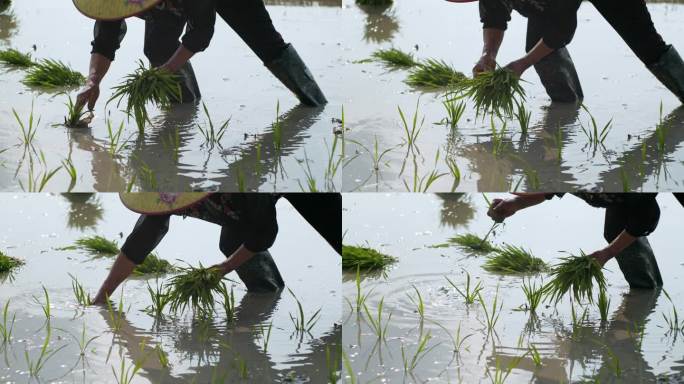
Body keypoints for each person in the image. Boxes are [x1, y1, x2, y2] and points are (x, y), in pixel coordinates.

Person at [74, 0, 326, 114]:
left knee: (267, 43)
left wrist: (168, 69)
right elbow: (105, 37)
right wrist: (93, 81)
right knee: (158, 49)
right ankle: (184, 113)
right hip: (172, 5)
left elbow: (201, 31)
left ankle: (316, 106)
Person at [92, 192, 341, 304]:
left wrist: (223, 268)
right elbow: (138, 243)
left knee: (339, 233)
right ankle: (268, 298)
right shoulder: (160, 196)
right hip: (238, 210)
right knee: (232, 243)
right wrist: (101, 298)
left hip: (299, 189)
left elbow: (265, 231)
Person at [450, 0, 684, 103]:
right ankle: (568, 108)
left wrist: (521, 64)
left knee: (647, 45)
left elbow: (561, 29)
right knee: (541, 53)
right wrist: (488, 55)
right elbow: (494, 17)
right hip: (547, 6)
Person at [487, 193, 683, 289]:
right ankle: (646, 290)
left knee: (623, 232)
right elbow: (551, 187)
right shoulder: (561, 165)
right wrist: (517, 202)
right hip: (620, 194)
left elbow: (645, 217)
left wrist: (607, 253)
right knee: (615, 232)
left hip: (631, 191)